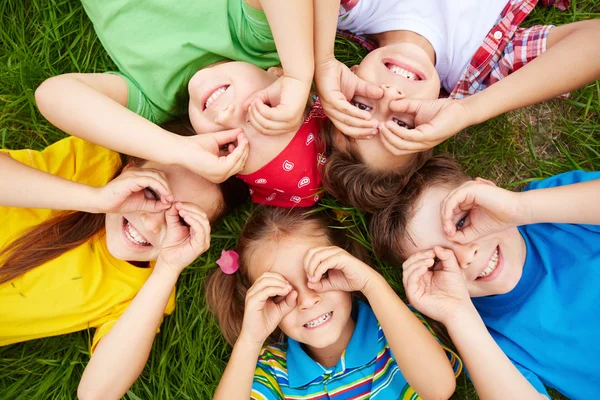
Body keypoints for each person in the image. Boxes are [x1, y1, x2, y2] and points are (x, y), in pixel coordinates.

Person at [0, 126, 247, 399]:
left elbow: (97, 393)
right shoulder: (91, 164)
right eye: (152, 193)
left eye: (181, 220)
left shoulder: (144, 292)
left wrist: (168, 269)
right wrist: (96, 199)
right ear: (128, 170)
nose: (152, 222)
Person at [313, 0, 600, 212]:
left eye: (362, 107)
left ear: (347, 78)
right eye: (402, 123)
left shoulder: (354, 9)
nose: (389, 97)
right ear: (434, 116)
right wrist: (468, 110)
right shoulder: (483, 70)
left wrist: (322, 58)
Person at [35, 0, 326, 207]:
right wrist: (299, 74)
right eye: (261, 111)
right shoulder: (254, 39)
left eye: (227, 144)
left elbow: (54, 94)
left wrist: (177, 149)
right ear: (277, 76)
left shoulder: (155, 101)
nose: (226, 117)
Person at [369, 154, 600, 399]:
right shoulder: (483, 337)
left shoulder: (549, 209)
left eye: (461, 223)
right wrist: (458, 314)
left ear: (486, 193)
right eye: (438, 261)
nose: (466, 256)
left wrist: (520, 208)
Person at [205, 207, 461, 399]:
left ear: (346, 267)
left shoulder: (395, 328)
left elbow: (440, 389)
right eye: (280, 294)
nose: (306, 301)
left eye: (320, 275)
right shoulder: (274, 371)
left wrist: (372, 284)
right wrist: (250, 338)